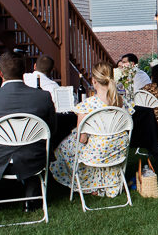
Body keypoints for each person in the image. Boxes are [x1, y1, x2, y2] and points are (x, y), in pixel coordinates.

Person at [0, 51, 57, 207]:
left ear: (0, 73)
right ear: (24, 72)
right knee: (32, 149)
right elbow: (52, 130)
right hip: (34, 156)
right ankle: (32, 197)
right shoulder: (43, 97)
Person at [50, 62, 130, 197]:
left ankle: (87, 183)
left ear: (94, 81)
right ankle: (103, 180)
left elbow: (82, 139)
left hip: (97, 152)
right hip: (118, 149)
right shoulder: (121, 101)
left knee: (64, 147)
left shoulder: (87, 105)